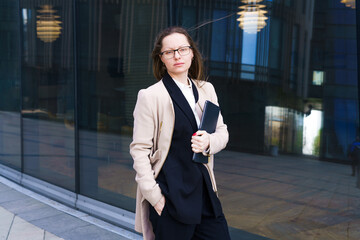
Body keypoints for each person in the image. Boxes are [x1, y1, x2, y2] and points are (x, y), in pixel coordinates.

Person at [129, 26, 231, 240]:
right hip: (171, 195)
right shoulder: (150, 96)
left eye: (182, 49)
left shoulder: (206, 89)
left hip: (204, 192)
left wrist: (209, 141)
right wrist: (155, 198)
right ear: (162, 58)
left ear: (192, 53)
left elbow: (222, 132)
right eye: (169, 51)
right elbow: (140, 151)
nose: (177, 55)